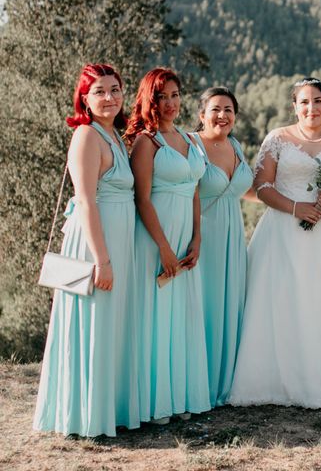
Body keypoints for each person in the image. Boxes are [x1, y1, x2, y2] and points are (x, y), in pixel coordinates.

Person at [228, 77, 321, 408]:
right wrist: (297, 207)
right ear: (294, 107)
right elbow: (263, 187)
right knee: (284, 299)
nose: (311, 108)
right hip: (283, 229)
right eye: (304, 102)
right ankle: (278, 380)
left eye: (318, 101)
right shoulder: (278, 139)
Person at [33, 64, 139, 437]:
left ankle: (107, 408)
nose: (109, 97)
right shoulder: (86, 136)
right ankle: (85, 417)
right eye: (99, 91)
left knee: (110, 326)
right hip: (95, 244)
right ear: (84, 98)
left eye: (115, 89)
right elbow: (86, 201)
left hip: (118, 241)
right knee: (93, 323)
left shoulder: (115, 137)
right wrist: (102, 260)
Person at [125, 68, 210, 424]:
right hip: (155, 240)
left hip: (186, 240)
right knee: (158, 318)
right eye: (163, 97)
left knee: (182, 316)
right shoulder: (147, 142)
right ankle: (156, 404)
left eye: (175, 95)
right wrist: (163, 247)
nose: (171, 103)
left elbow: (193, 188)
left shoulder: (190, 140)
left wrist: (197, 236)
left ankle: (182, 397)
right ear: (150, 99)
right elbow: (142, 200)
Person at [189, 87, 254, 407]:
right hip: (202, 236)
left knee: (230, 303)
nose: (222, 115)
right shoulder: (191, 145)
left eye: (229, 110)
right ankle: (199, 383)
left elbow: (247, 191)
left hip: (233, 236)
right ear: (202, 115)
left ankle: (227, 382)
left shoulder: (236, 146)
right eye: (215, 109)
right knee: (205, 304)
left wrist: (293, 202)